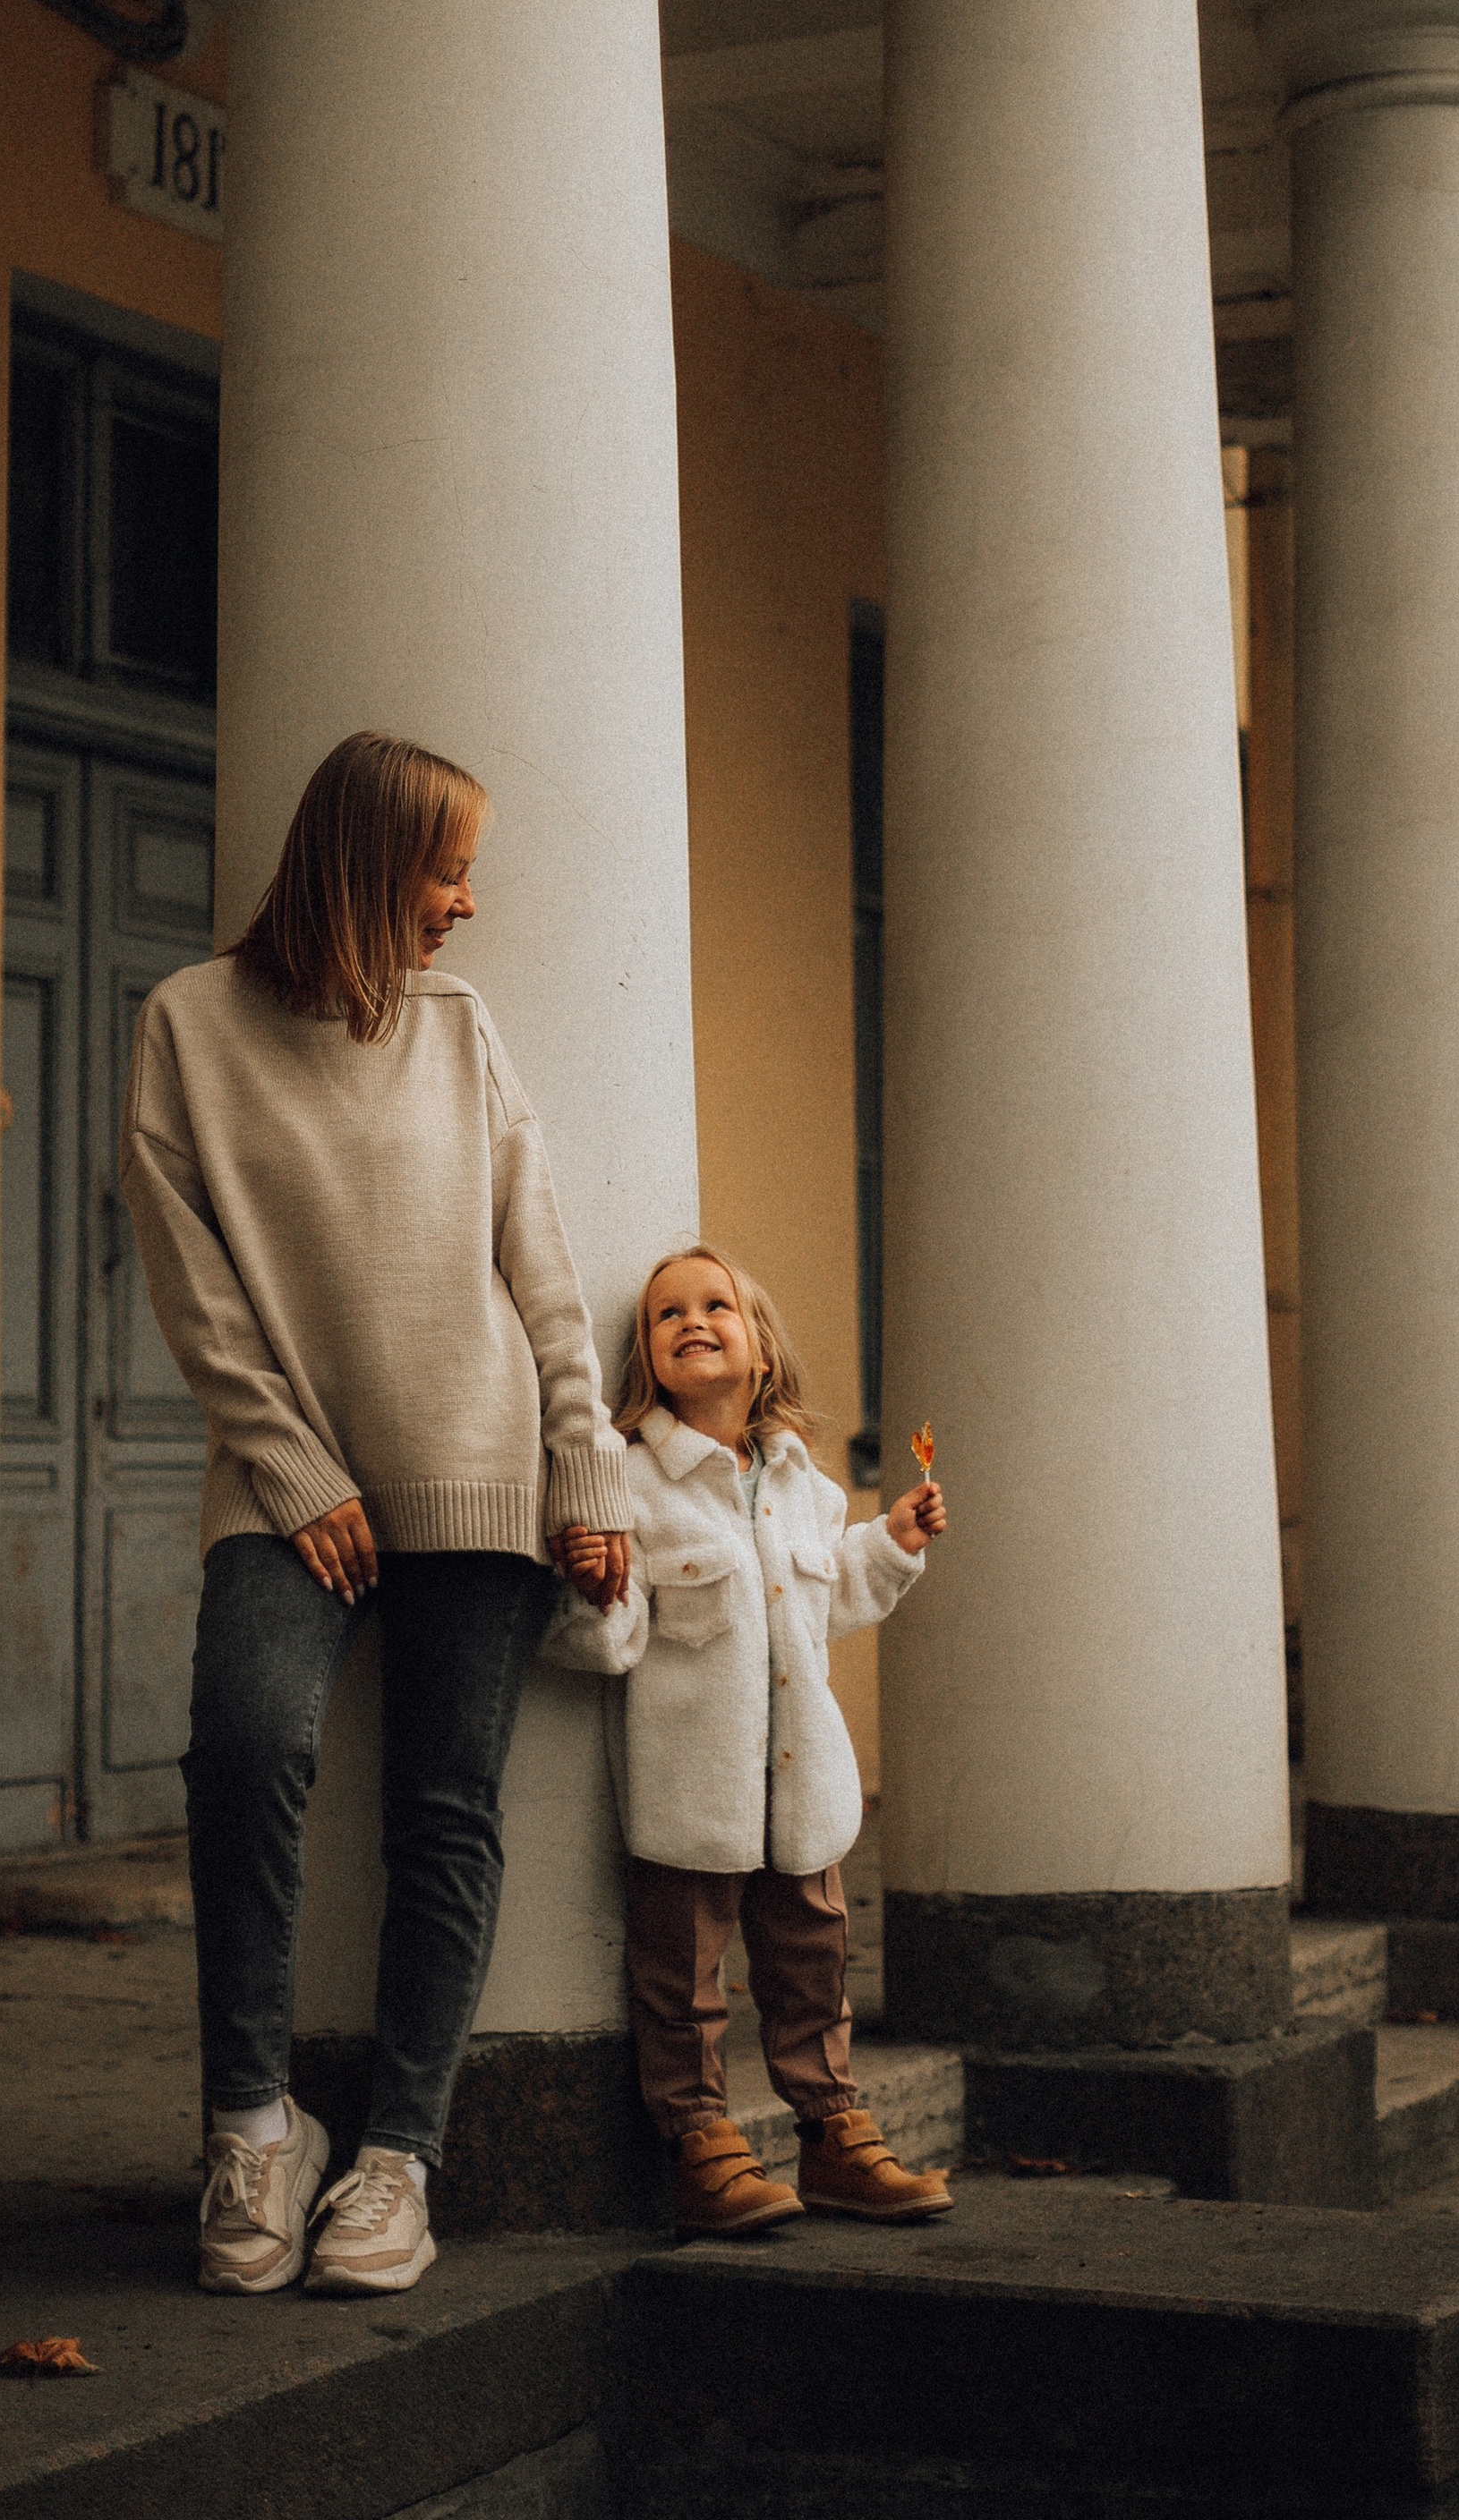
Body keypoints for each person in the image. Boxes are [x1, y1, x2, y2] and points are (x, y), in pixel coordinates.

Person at [120, 732, 633, 2301]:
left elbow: (538, 1272)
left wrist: (586, 1471)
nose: (466, 906)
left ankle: (399, 2158)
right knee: (250, 1746)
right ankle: (253, 2126)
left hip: (474, 1469)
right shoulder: (188, 1026)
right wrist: (296, 1470)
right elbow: (193, 1285)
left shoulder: (462, 1032)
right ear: (365, 860)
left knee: (443, 1810)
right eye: (448, 870)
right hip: (292, 1487)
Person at [542, 1247, 951, 2235]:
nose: (693, 1321)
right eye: (665, 1315)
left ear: (760, 1348)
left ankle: (833, 2133)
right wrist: (595, 1590)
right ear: (644, 1358)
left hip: (803, 1788)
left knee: (813, 1968)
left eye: (717, 1305)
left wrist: (891, 1543)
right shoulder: (633, 1483)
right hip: (691, 1797)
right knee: (682, 1986)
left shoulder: (804, 1487)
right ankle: (699, 2145)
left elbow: (826, 1599)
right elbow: (607, 1638)